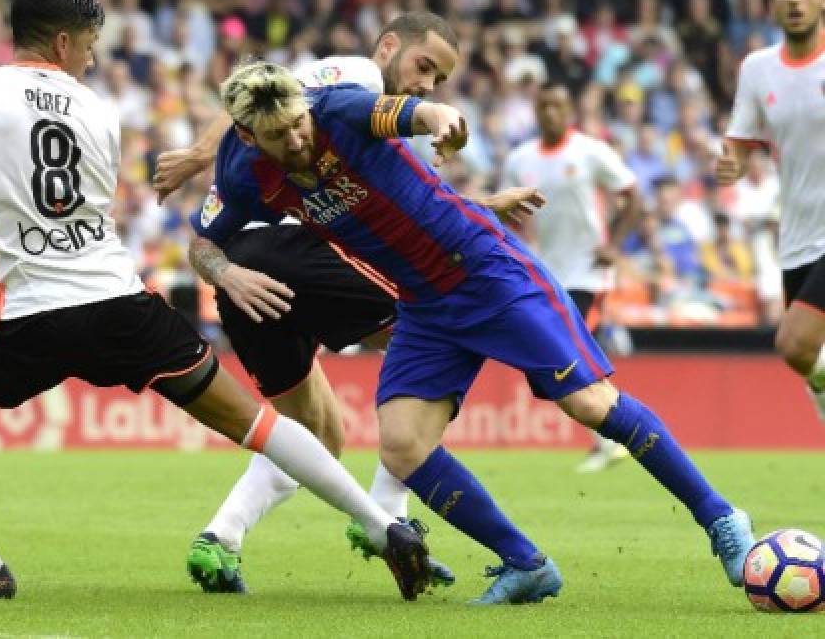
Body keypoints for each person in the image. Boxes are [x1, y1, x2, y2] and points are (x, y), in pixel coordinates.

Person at [0, 0, 432, 601]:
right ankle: (386, 529)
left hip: (29, 322)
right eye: (89, 47)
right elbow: (70, 227)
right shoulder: (100, 111)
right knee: (255, 421)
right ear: (63, 44)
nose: (92, 61)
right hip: (124, 307)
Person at [191, 60, 754, 604]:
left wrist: (441, 120)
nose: (293, 140)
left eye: (297, 124)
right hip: (424, 306)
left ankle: (721, 519)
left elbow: (416, 113)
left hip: (488, 272)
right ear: (246, 134)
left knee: (588, 403)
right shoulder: (242, 170)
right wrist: (227, 273)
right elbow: (204, 241)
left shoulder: (338, 110)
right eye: (276, 135)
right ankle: (526, 564)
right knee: (403, 446)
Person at [158, 13, 542, 593]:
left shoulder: (288, 130)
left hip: (249, 283)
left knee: (313, 432)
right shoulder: (356, 79)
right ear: (388, 47)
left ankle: (222, 539)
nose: (426, 85)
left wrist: (228, 270)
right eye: (423, 66)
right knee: (438, 331)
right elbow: (282, 98)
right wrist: (197, 152)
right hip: (298, 251)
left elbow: (228, 211)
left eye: (439, 78)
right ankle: (391, 515)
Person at [504, 82, 642, 473]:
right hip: (548, 274)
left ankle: (613, 438)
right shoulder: (520, 159)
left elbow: (633, 195)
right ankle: (610, 438)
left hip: (588, 273)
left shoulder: (591, 152)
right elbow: (507, 211)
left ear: (569, 111)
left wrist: (614, 244)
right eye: (544, 106)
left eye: (558, 105)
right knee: (564, 356)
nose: (551, 113)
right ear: (536, 112)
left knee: (573, 350)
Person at [717, 0, 825, 416]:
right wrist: (735, 164)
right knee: (808, 365)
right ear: (771, 6)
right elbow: (742, 140)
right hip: (798, 235)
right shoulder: (757, 70)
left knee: (795, 344)